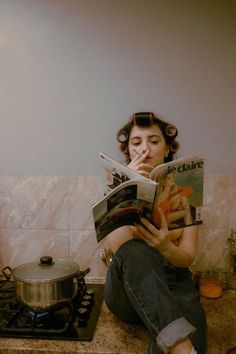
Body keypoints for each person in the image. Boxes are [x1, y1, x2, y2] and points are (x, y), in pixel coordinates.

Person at [103, 112, 207, 354]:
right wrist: (127, 185)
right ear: (128, 150)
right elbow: (119, 248)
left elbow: (187, 257)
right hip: (127, 291)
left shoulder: (185, 190)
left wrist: (166, 247)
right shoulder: (118, 185)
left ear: (168, 149)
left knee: (192, 325)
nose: (145, 150)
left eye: (154, 141)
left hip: (175, 283)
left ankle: (182, 348)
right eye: (136, 143)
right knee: (136, 249)